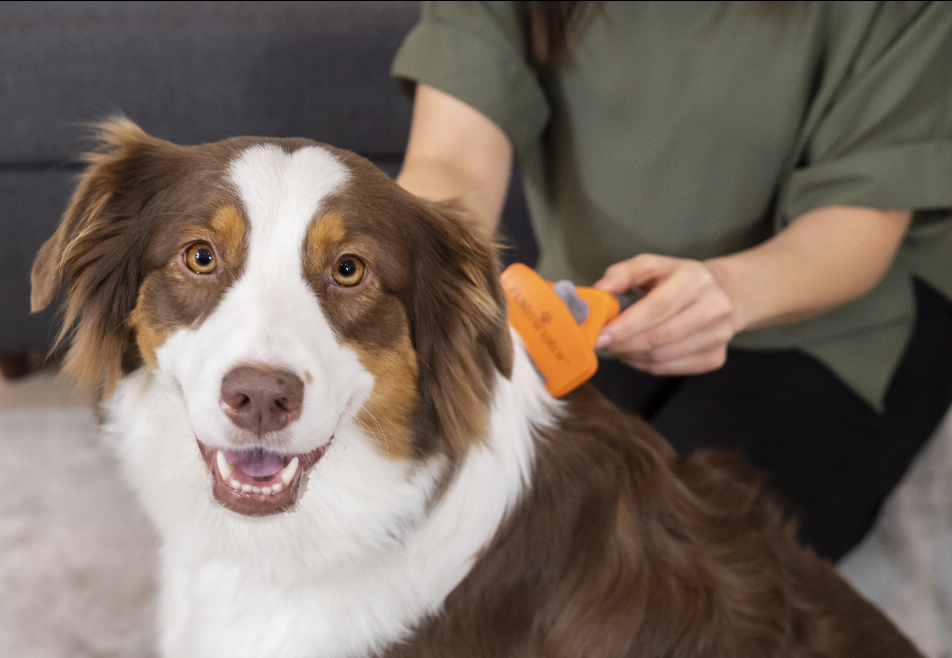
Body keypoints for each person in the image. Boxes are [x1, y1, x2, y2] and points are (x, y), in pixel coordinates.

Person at [390, 1, 952, 561]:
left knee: (664, 566)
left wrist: (728, 293)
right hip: (598, 303)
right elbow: (453, 160)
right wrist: (399, 283)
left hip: (842, 319)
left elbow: (854, 230)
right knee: (483, 529)